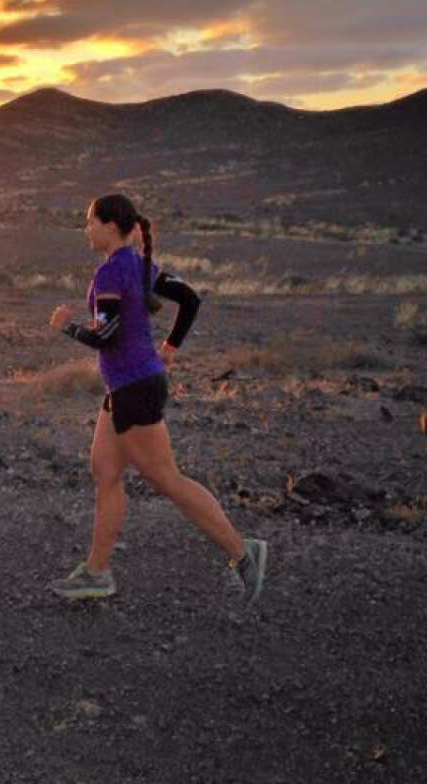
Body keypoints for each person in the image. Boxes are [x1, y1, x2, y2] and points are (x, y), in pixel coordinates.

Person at [47, 193, 266, 604]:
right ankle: (97, 573)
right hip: (129, 386)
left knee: (167, 480)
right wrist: (170, 347)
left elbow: (103, 336)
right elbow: (190, 299)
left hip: (134, 388)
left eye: (89, 221)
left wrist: (66, 326)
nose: (86, 229)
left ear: (110, 225)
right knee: (105, 469)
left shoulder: (112, 271)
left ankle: (242, 552)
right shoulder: (141, 266)